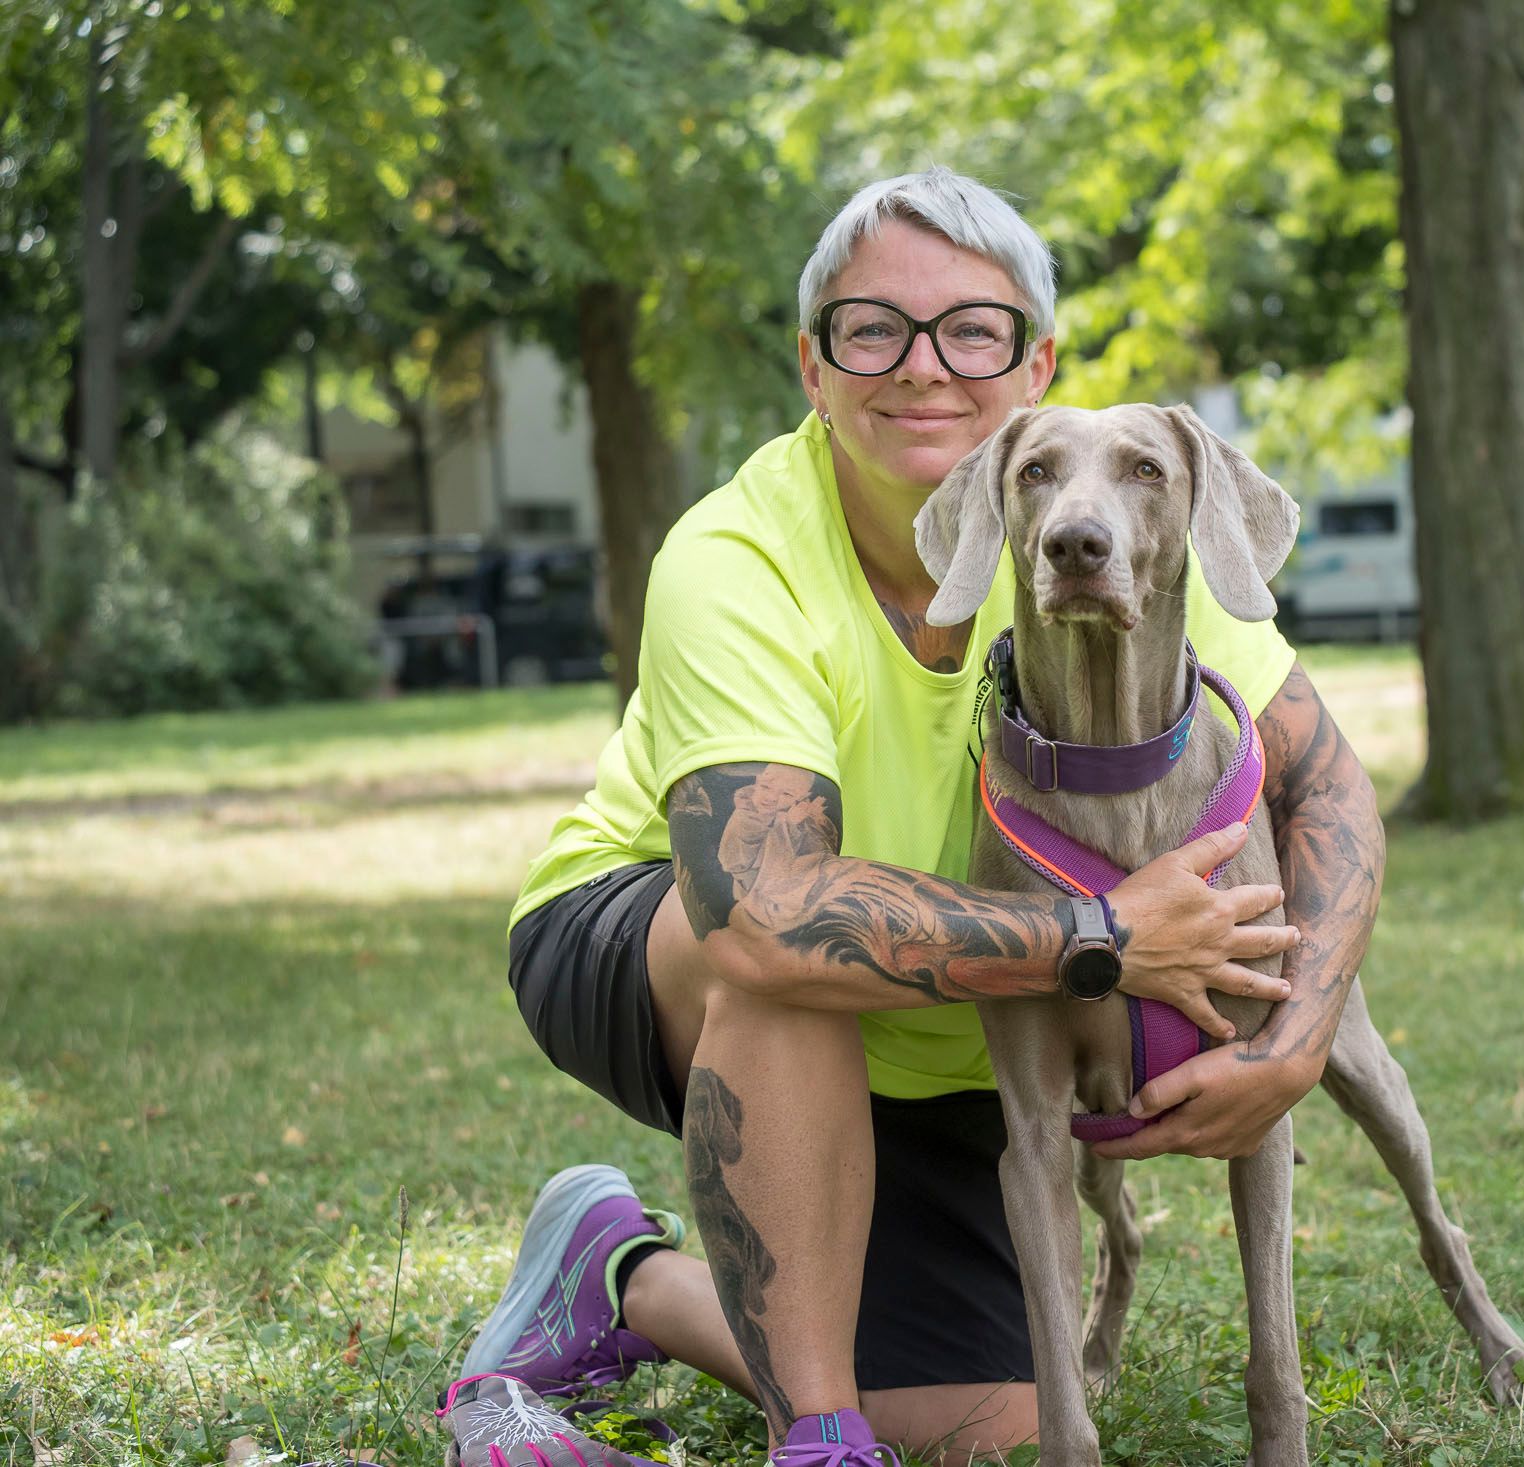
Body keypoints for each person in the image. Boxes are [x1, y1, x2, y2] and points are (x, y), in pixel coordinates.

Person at [460, 168, 1385, 1467]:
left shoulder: (1115, 515)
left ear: (1036, 362)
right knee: (785, 957)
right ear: (813, 363)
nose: (923, 369)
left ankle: (618, 1276)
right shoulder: (737, 559)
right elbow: (760, 909)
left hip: (945, 1032)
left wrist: (1295, 1045)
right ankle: (821, 1439)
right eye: (871, 330)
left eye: (974, 331)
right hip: (662, 940)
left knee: (987, 1427)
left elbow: (1330, 786)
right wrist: (1106, 936)